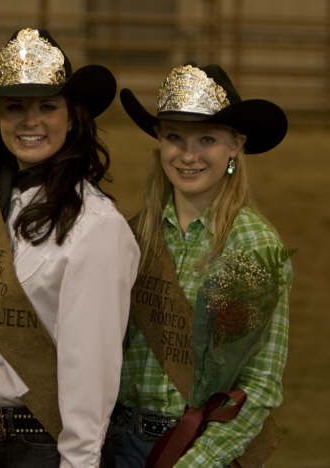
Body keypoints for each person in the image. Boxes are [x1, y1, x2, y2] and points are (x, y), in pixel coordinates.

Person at [0, 27, 140, 467]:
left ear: (72, 117)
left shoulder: (97, 228)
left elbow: (91, 370)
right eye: (14, 106)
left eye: (47, 106)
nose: (29, 121)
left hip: (42, 448)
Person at [107, 63, 292, 467]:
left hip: (198, 448)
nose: (188, 155)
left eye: (206, 139)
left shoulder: (253, 244)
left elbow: (258, 386)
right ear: (159, 140)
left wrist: (195, 463)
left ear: (235, 145)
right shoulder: (133, 235)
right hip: (117, 445)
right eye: (175, 137)